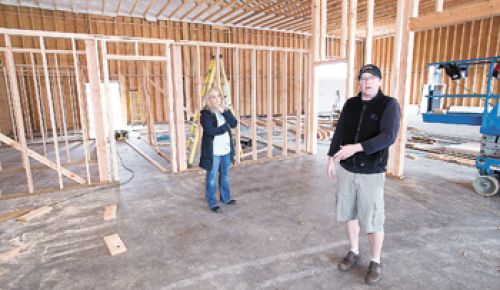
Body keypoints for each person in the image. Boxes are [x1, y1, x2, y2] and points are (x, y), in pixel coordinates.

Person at [327, 64, 401, 284]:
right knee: (350, 213)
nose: (366, 82)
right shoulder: (351, 104)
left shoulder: (388, 105)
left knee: (373, 219)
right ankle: (354, 251)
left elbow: (388, 136)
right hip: (347, 169)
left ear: (379, 81)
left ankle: (375, 261)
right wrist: (331, 158)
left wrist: (357, 147)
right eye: (363, 78)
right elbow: (340, 131)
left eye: (371, 78)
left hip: (371, 172)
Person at [199, 87, 238, 213]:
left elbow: (234, 124)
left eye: (218, 96)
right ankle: (212, 202)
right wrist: (224, 128)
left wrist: (224, 112)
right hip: (214, 152)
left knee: (225, 175)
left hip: (226, 150)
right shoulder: (206, 114)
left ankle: (225, 198)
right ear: (209, 99)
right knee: (211, 177)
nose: (216, 99)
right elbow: (209, 131)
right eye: (213, 97)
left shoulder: (224, 110)